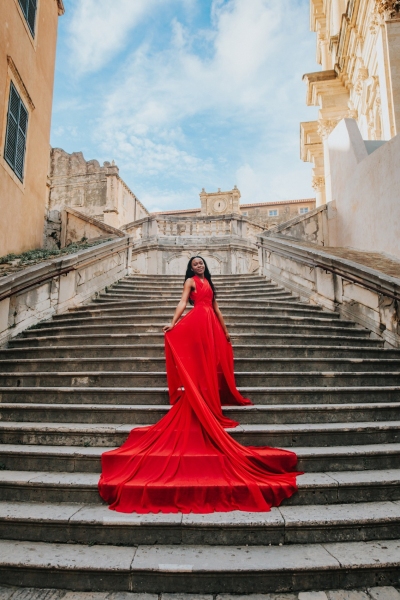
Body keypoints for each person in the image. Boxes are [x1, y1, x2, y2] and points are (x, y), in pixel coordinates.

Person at [98, 255, 301, 513]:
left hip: (211, 324)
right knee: (198, 363)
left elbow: (217, 309)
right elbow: (183, 303)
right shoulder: (190, 283)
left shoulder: (210, 284)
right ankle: (199, 397)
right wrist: (172, 323)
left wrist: (226, 331)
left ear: (206, 265)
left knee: (212, 362)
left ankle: (208, 397)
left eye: (201, 263)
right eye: (194, 264)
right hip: (196, 322)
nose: (198, 266)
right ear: (190, 268)